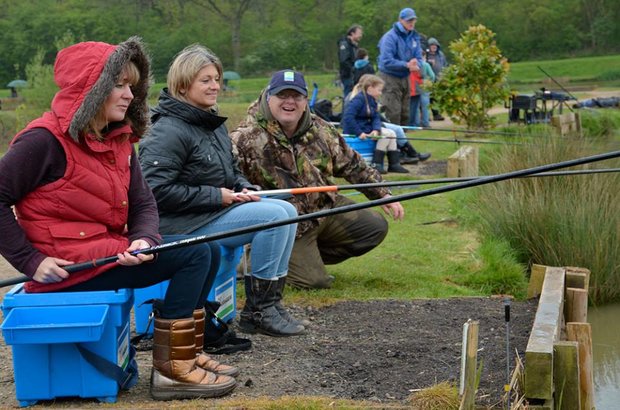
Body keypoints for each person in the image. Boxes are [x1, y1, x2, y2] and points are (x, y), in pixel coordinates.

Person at [0, 38, 238, 401]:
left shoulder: (117, 140)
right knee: (195, 255)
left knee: (208, 249)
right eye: (119, 84)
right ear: (91, 89)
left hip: (108, 253)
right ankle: (172, 372)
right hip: (70, 271)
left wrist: (144, 240)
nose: (129, 94)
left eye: (132, 85)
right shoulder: (43, 142)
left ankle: (186, 353)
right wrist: (32, 261)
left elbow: (144, 204)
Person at [138, 45, 305, 337]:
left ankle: (270, 303)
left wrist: (244, 187)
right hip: (181, 223)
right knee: (273, 217)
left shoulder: (210, 122)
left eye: (216, 78)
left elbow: (229, 170)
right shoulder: (167, 130)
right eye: (206, 80)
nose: (215, 85)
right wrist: (218, 196)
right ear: (183, 84)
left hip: (210, 211)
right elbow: (155, 191)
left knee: (286, 207)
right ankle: (258, 311)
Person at [230, 69, 405, 289]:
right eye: (282, 96)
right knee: (314, 282)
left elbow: (352, 163)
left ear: (305, 100)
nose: (289, 102)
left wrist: (382, 193)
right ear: (268, 97)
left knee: (374, 227)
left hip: (323, 208)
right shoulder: (244, 138)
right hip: (285, 224)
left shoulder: (321, 129)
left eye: (296, 96)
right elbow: (227, 180)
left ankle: (301, 258)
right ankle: (256, 258)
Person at [341, 74, 408, 174]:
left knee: (392, 133)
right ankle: (376, 163)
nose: (380, 93)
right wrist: (359, 133)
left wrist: (376, 129)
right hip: (357, 129)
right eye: (379, 90)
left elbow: (376, 117)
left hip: (367, 128)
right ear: (370, 88)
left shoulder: (372, 100)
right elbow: (348, 118)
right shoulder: (358, 100)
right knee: (386, 134)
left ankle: (394, 164)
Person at [377, 7, 423, 126]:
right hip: (389, 77)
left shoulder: (414, 37)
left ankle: (402, 141)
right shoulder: (390, 37)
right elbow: (386, 60)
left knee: (405, 111)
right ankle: (393, 142)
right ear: (400, 20)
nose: (411, 23)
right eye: (408, 20)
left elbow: (419, 57)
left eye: (413, 20)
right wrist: (406, 65)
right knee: (393, 111)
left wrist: (416, 63)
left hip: (405, 76)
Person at [409, 50, 436, 128]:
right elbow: (432, 76)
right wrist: (429, 82)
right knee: (425, 105)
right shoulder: (426, 64)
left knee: (416, 105)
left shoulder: (414, 65)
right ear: (424, 56)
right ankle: (425, 123)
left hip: (415, 85)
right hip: (424, 85)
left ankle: (416, 123)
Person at [338, 24, 363, 98]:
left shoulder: (354, 45)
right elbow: (344, 61)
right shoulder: (345, 45)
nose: (361, 35)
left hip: (353, 76)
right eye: (359, 33)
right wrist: (354, 70)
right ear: (352, 33)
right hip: (348, 76)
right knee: (349, 96)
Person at [426, 37, 448, 121]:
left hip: (439, 78)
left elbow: (445, 64)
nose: (434, 46)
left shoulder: (440, 55)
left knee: (436, 97)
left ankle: (436, 114)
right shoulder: (426, 55)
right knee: (427, 98)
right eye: (432, 45)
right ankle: (426, 116)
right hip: (428, 79)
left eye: (435, 45)